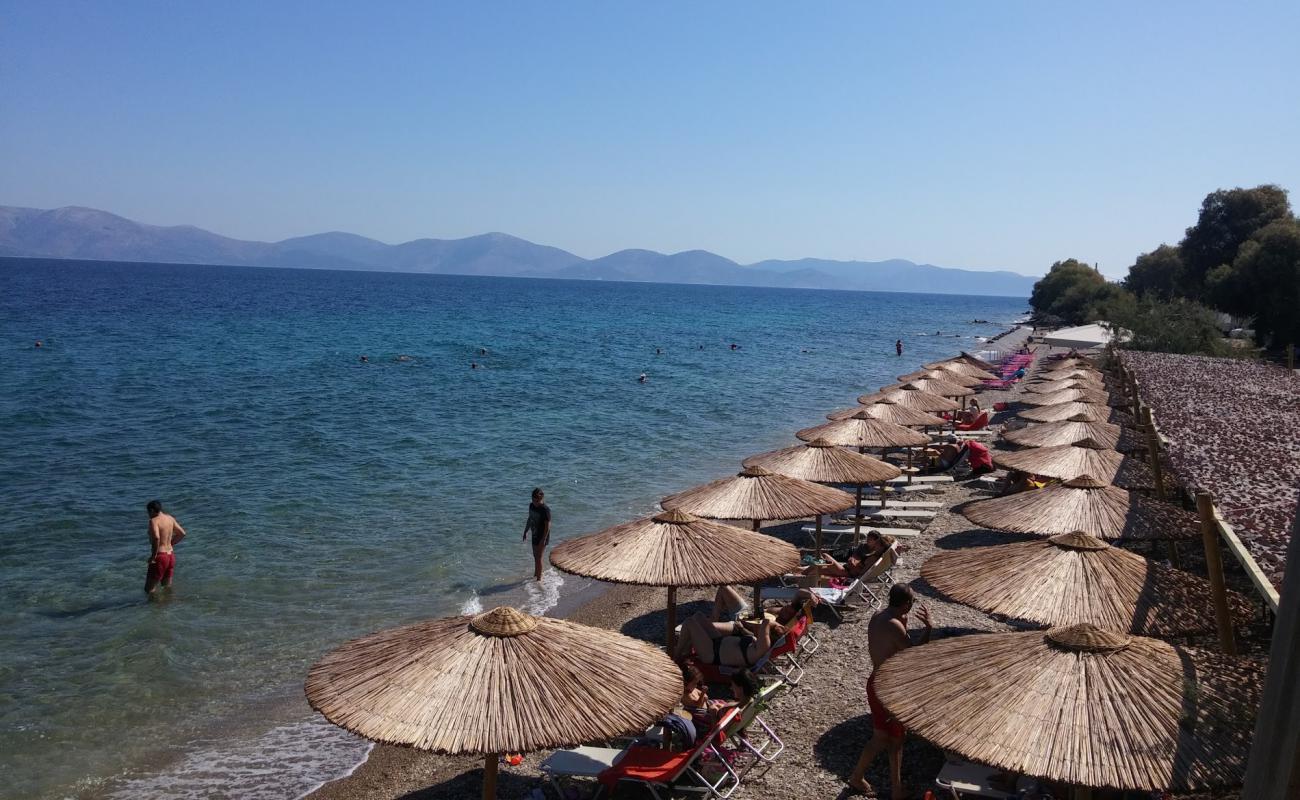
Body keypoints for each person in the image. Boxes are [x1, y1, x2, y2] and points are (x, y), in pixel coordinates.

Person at [848, 584, 931, 797]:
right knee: (893, 740)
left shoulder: (878, 616)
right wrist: (928, 629)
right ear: (906, 604)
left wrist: (904, 623)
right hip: (889, 689)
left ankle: (862, 779)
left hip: (875, 682)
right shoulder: (895, 625)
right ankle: (895, 790)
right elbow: (913, 656)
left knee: (883, 737)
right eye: (912, 602)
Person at [674, 612, 785, 668]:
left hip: (712, 654)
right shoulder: (760, 643)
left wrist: (774, 624)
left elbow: (766, 622)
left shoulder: (764, 647)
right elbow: (763, 626)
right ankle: (686, 653)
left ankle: (676, 655)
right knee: (698, 616)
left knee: (689, 622)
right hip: (717, 642)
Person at [144, 500, 187, 595]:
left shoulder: (154, 521)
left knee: (149, 590)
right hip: (170, 556)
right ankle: (168, 607)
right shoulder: (170, 518)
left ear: (151, 510)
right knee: (166, 587)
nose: (148, 515)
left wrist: (153, 556)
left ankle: (155, 609)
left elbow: (156, 537)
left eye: (148, 512)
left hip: (160, 557)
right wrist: (171, 544)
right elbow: (182, 533)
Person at [522, 487, 550, 581]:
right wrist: (525, 531)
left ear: (541, 499)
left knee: (539, 557)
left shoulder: (545, 509)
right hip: (534, 534)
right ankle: (536, 574)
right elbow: (530, 519)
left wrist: (543, 539)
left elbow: (548, 526)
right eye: (534, 500)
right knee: (535, 557)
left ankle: (539, 580)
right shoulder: (531, 506)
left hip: (543, 535)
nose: (535, 502)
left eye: (537, 500)